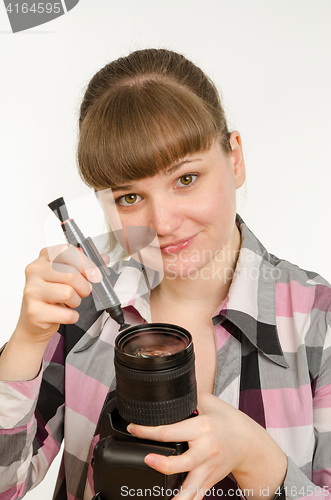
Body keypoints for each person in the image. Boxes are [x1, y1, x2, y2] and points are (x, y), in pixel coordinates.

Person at [0, 48, 330, 500]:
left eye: (186, 179)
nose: (163, 224)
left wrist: (259, 460)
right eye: (130, 198)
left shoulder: (319, 321)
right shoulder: (83, 310)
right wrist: (26, 339)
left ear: (234, 159)